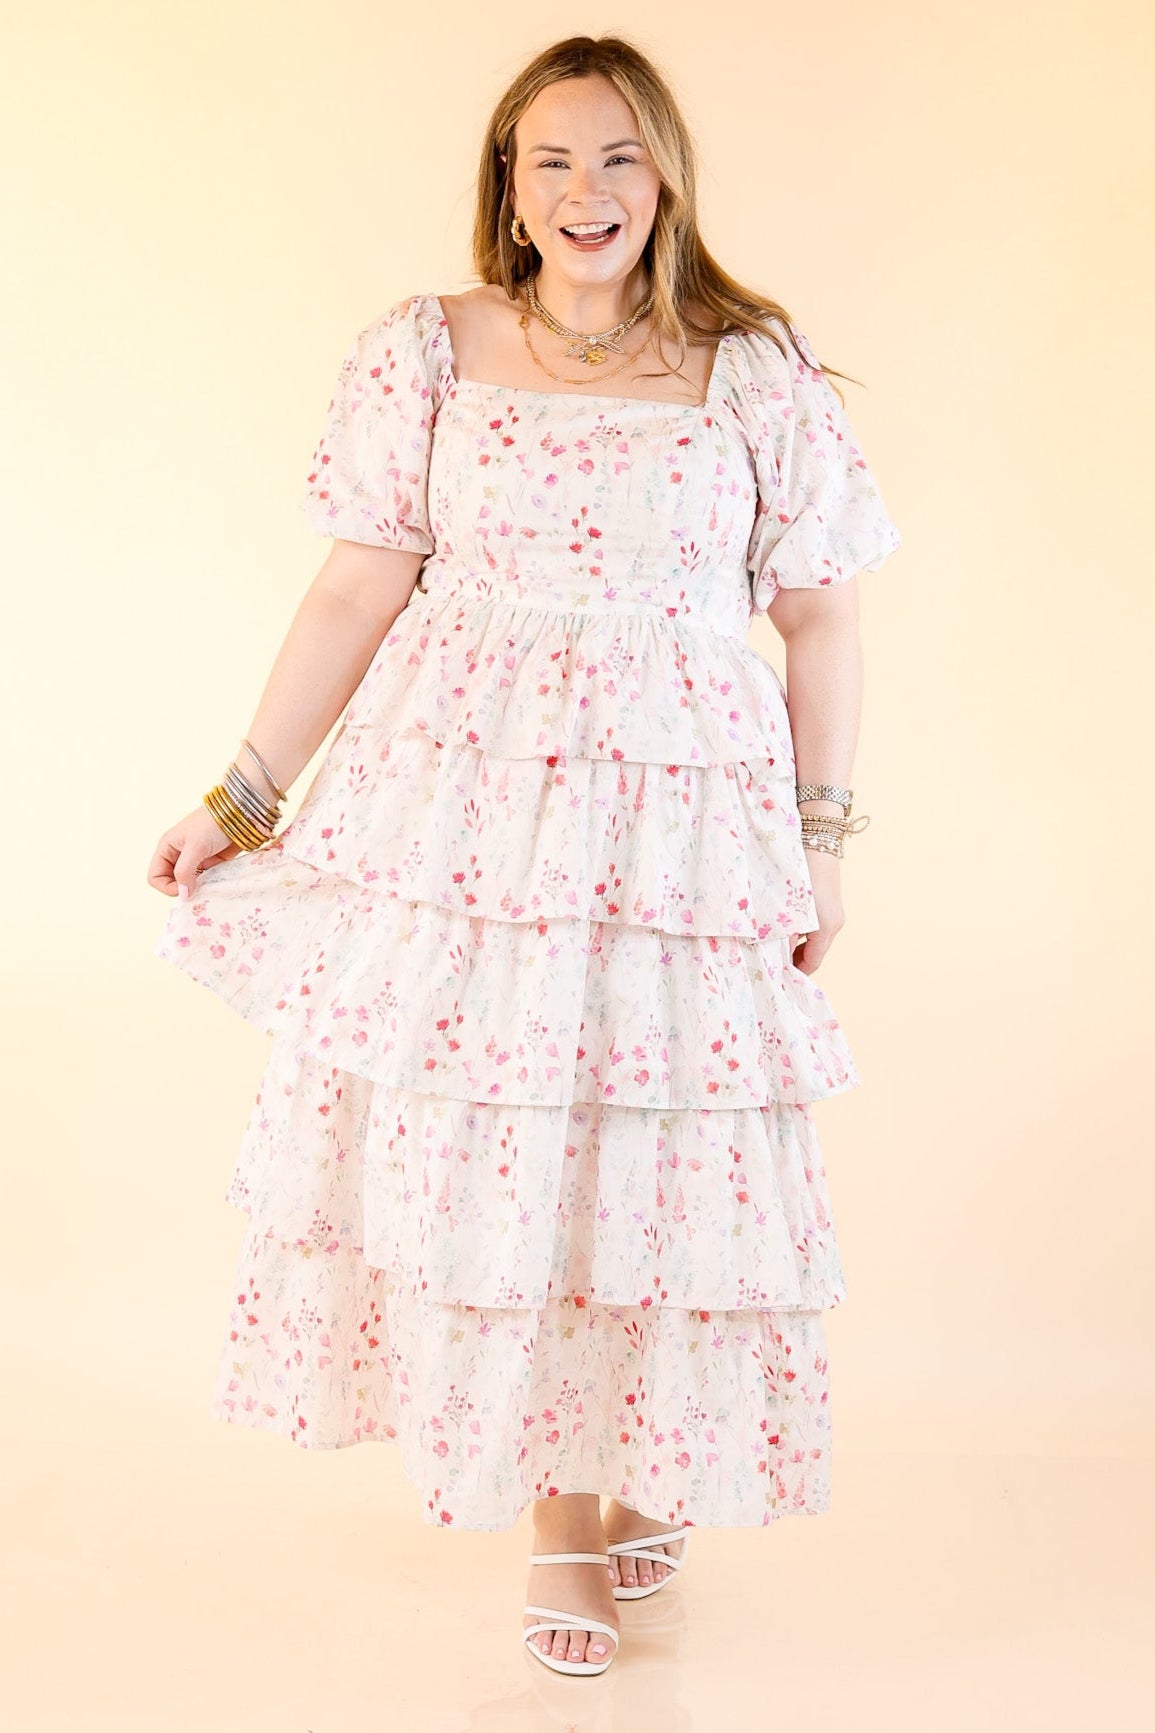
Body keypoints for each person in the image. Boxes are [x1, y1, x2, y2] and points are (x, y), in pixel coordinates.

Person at [147, 32, 901, 1680]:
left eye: (618, 156)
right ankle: (564, 1515)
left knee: (648, 1155)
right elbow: (355, 588)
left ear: (668, 175)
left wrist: (822, 842)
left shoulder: (750, 369)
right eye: (552, 159)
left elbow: (824, 617)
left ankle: (635, 1459)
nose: (586, 191)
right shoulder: (428, 352)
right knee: (521, 1156)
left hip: (682, 840)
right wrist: (244, 794)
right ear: (508, 181)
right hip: (477, 835)